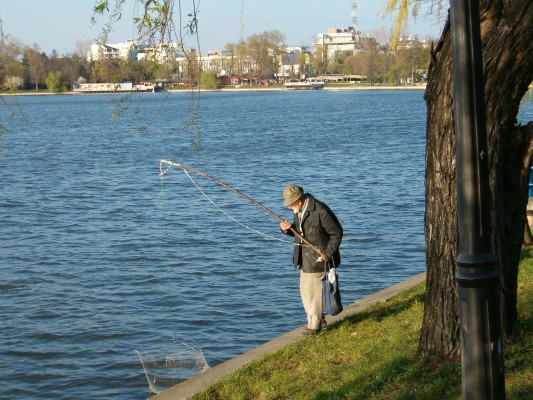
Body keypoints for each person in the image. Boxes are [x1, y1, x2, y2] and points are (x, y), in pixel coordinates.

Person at [280, 184, 343, 335]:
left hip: (319, 260)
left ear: (300, 200)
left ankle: (314, 327)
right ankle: (319, 321)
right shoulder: (299, 210)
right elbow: (302, 232)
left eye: (291, 204)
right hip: (304, 259)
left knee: (312, 295)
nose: (289, 207)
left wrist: (327, 254)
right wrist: (287, 229)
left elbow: (337, 233)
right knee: (306, 293)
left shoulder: (320, 210)